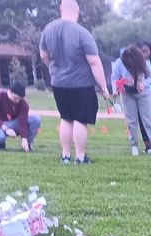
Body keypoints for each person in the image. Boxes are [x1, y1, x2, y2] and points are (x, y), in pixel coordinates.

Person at [38, 0, 111, 164]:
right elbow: (94, 61)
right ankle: (80, 156)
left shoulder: (48, 30)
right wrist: (104, 86)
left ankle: (65, 155)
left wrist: (54, 67)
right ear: (77, 12)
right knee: (80, 119)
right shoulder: (82, 33)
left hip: (58, 83)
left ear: (61, 9)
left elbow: (43, 56)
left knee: (65, 118)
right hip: (81, 84)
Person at [115, 44, 151, 157]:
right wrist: (116, 88)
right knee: (131, 121)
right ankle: (134, 146)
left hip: (143, 94)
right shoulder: (119, 63)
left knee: (149, 120)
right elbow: (114, 77)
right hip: (127, 94)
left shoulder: (143, 63)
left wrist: (144, 84)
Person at [0, 83, 41, 152]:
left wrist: (24, 138)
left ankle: (27, 144)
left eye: (20, 99)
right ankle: (1, 145)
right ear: (9, 92)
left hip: (14, 123)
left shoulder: (23, 104)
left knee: (35, 119)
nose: (17, 101)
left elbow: (23, 122)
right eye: (15, 98)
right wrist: (6, 129)